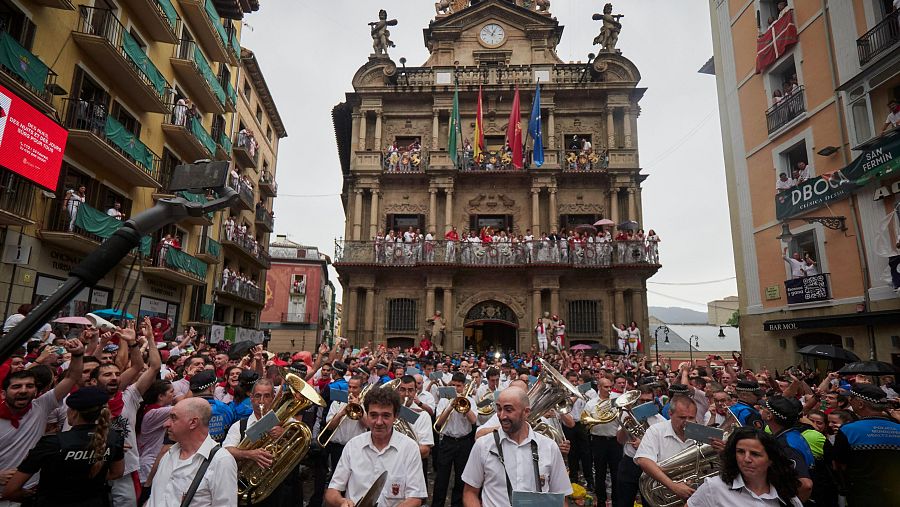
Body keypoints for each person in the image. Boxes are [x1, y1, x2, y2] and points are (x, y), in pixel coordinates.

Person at [2, 386, 125, 505]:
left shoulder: (52, 443)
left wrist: (32, 497)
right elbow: (117, 473)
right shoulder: (114, 438)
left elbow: (11, 491)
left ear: (74, 412)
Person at [0, 339, 83, 506]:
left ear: (36, 390)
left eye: (29, 386)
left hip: (29, 494)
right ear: (3, 393)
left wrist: (78, 354)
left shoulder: (41, 406)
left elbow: (73, 377)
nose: (23, 390)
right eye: (17, 387)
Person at [461, 387, 572, 507]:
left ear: (526, 412)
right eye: (499, 409)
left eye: (509, 410)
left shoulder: (550, 447)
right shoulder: (483, 445)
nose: (502, 416)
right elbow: (470, 493)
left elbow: (562, 498)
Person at [325, 386, 426, 507]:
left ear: (395, 417)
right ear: (366, 414)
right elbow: (332, 492)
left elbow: (415, 497)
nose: (379, 422)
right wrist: (341, 502)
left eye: (386, 416)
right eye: (373, 415)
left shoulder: (410, 448)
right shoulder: (352, 445)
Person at [146, 398, 237, 507]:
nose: (166, 424)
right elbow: (155, 499)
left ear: (193, 422)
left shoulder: (221, 461)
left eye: (173, 418)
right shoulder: (169, 454)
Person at [687, 427, 803, 506]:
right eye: (741, 452)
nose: (746, 459)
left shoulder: (788, 498)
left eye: (755, 454)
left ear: (771, 460)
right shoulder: (713, 487)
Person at [831, 383, 900, 505]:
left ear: (861, 404)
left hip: (862, 495)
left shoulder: (848, 430)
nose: (850, 402)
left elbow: (839, 465)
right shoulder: (898, 427)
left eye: (851, 399)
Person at [634, 396, 700, 502]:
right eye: (682, 417)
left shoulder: (701, 432)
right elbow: (643, 460)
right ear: (670, 414)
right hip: (663, 496)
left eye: (691, 418)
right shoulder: (656, 431)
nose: (687, 422)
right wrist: (674, 486)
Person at [616, 384, 666, 507]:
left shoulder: (660, 420)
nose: (643, 404)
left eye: (647, 401)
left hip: (651, 465)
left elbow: (663, 446)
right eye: (641, 401)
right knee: (623, 501)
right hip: (629, 464)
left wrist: (643, 444)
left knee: (648, 502)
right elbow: (620, 440)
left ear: (654, 401)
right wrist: (625, 423)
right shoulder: (628, 416)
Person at [433, 372, 477, 507]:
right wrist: (451, 406)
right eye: (454, 385)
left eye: (459, 386)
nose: (456, 388)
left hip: (464, 442)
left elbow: (474, 421)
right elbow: (438, 423)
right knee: (441, 478)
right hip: (447, 441)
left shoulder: (470, 400)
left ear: (464, 386)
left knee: (461, 479)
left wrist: (464, 406)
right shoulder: (444, 400)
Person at [584, 377, 623, 506]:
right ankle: (601, 501)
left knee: (616, 472)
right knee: (599, 472)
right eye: (605, 387)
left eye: (609, 387)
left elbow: (622, 420)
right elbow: (585, 420)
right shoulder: (591, 404)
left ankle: (617, 501)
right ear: (599, 388)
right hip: (598, 440)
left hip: (614, 441)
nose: (608, 389)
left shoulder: (616, 401)